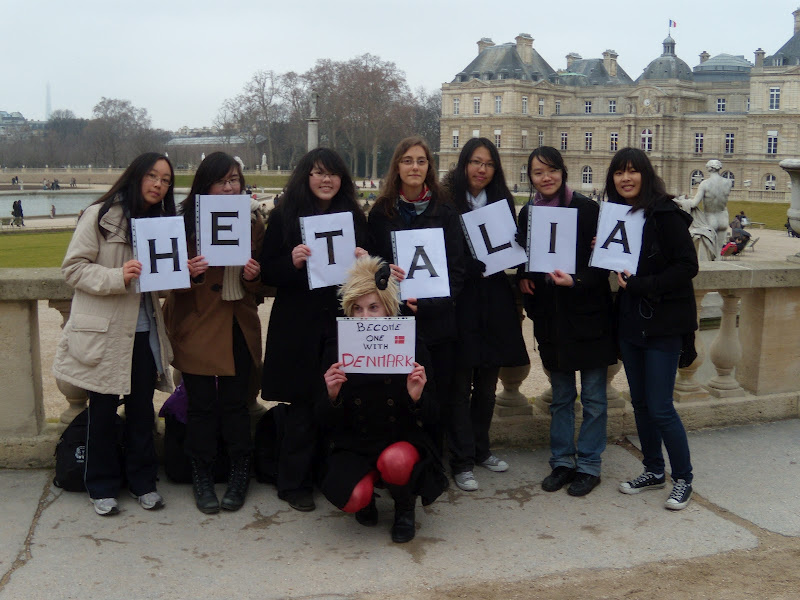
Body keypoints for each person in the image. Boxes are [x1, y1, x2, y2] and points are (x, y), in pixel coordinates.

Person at [52, 152, 177, 516]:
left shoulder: (161, 223)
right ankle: (101, 485)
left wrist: (181, 271)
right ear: (136, 176)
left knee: (141, 410)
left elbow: (159, 285)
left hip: (143, 333)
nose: (158, 184)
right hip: (104, 333)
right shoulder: (100, 216)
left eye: (166, 180)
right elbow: (73, 270)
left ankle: (143, 482)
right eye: (153, 176)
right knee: (102, 412)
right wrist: (116, 277)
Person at [260, 147, 369, 512]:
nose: (326, 180)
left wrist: (363, 262)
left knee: (337, 404)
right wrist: (290, 262)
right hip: (298, 323)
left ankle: (329, 476)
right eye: (319, 173)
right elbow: (266, 271)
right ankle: (294, 484)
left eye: (333, 173)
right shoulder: (284, 216)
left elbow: (374, 269)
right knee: (302, 407)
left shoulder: (354, 215)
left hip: (340, 322)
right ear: (306, 177)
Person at [318, 256, 447, 543]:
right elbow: (322, 420)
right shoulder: (336, 348)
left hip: (400, 439)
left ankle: (404, 506)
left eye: (373, 307)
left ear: (388, 307)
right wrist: (332, 396)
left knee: (396, 460)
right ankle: (368, 498)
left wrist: (416, 398)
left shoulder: (412, 344)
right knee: (353, 498)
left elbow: (436, 416)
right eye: (358, 308)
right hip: (356, 442)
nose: (365, 317)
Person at [163, 152, 264, 514]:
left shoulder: (253, 223)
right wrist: (188, 273)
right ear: (206, 185)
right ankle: (201, 472)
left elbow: (266, 282)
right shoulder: (182, 224)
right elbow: (163, 281)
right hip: (197, 324)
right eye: (222, 181)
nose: (230, 186)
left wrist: (255, 276)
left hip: (238, 323)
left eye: (235, 179)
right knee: (202, 406)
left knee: (237, 405)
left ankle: (239, 471)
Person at [367, 136, 467, 490]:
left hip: (437, 320)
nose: (414, 167)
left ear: (429, 167)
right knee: (397, 394)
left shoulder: (446, 211)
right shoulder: (381, 214)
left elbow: (457, 271)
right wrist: (385, 276)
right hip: (396, 321)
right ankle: (399, 465)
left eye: (421, 161)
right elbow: (372, 272)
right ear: (397, 167)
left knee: (438, 394)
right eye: (407, 160)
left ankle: (439, 464)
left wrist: (430, 303)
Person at [517, 146, 616, 497]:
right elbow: (522, 258)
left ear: (562, 171)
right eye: (538, 172)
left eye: (552, 170)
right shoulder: (528, 214)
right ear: (530, 177)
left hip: (588, 315)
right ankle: (562, 462)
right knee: (561, 397)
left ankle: (588, 465)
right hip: (552, 319)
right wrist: (522, 278)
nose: (546, 177)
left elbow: (605, 262)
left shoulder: (589, 209)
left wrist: (577, 281)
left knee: (593, 397)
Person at [607, 147, 698, 511]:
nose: (625, 178)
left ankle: (684, 478)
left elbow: (687, 267)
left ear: (645, 175)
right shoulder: (617, 217)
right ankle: (653, 469)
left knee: (660, 407)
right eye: (618, 172)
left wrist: (645, 285)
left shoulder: (667, 215)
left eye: (632, 171)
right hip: (632, 323)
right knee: (642, 404)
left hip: (663, 324)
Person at [441, 137, 529, 489]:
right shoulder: (446, 201)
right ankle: (461, 459)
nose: (482, 169)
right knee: (461, 385)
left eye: (489, 164)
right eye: (476, 162)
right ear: (464, 165)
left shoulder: (502, 201)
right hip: (462, 300)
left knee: (488, 385)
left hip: (493, 300)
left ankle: (481, 449)